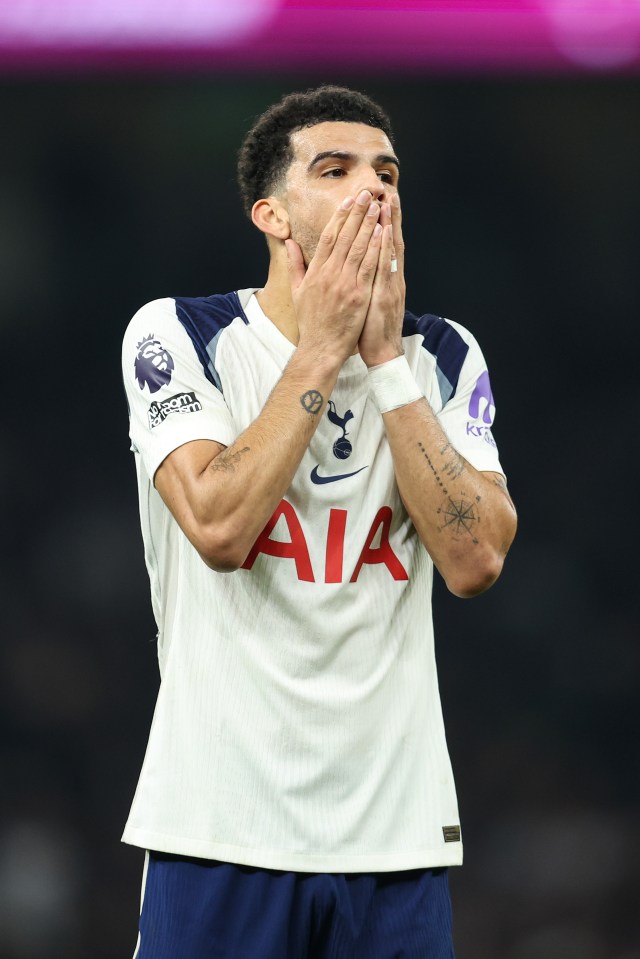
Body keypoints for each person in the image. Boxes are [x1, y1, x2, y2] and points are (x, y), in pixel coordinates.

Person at [121, 85, 517, 959]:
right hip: (219, 832)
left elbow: (477, 554)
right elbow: (219, 526)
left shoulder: (440, 356)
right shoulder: (182, 335)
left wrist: (381, 363)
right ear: (272, 214)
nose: (372, 189)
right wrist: (322, 350)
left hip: (395, 839)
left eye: (387, 172)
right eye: (334, 170)